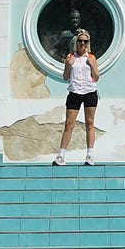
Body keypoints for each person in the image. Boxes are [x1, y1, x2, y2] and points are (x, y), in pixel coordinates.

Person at [54, 29, 99, 166]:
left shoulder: (91, 58)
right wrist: (68, 66)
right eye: (80, 41)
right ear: (76, 42)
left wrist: (92, 66)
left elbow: (96, 77)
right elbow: (65, 77)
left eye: (85, 41)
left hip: (90, 92)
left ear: (88, 43)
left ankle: (90, 156)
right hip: (74, 92)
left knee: (89, 123)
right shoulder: (70, 57)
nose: (82, 43)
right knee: (69, 124)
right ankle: (61, 156)